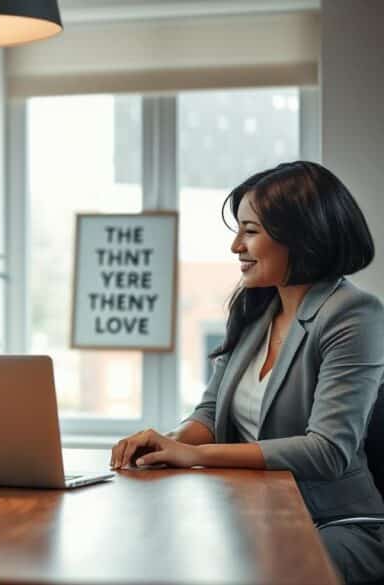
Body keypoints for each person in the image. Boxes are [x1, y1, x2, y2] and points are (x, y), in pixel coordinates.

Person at [109, 161, 384, 584]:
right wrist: (167, 445)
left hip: (335, 524)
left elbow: (327, 450)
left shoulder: (354, 314)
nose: (236, 245)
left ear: (302, 236)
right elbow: (211, 413)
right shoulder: (257, 310)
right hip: (256, 513)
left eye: (250, 231)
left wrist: (195, 456)